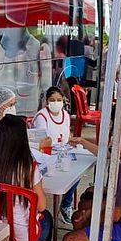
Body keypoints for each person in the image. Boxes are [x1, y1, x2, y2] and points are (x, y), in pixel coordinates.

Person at [32, 87, 74, 222]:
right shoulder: (41, 116)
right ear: (46, 101)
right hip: (45, 155)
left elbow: (66, 137)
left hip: (62, 151)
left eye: (59, 100)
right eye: (52, 100)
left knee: (75, 175)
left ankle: (66, 204)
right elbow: (43, 141)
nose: (56, 103)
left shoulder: (65, 115)